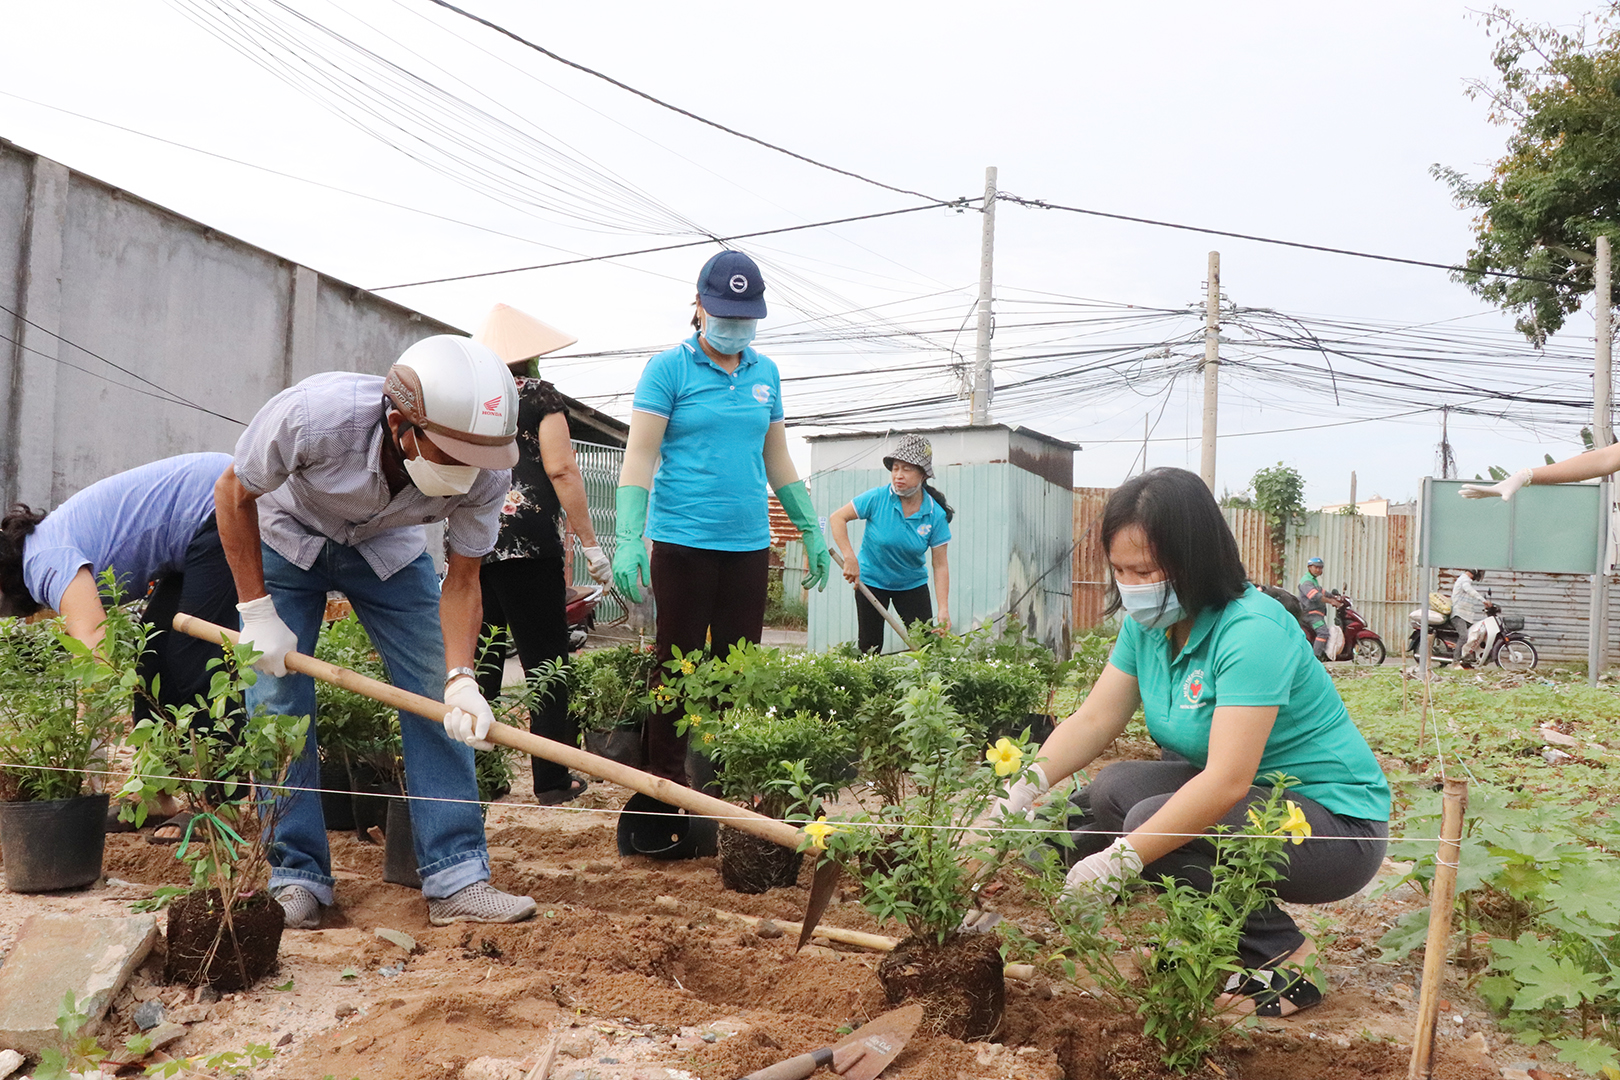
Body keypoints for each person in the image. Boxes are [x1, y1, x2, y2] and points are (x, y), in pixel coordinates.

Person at [987, 467, 1390, 1016]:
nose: (1132, 585)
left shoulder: (1252, 631)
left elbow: (1226, 782)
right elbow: (1095, 721)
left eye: (1146, 569)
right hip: (1257, 808)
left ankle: (1288, 960)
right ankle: (1214, 945)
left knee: (1147, 825)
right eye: (1120, 570)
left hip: (1335, 829)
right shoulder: (1147, 624)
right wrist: (1016, 794)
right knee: (1114, 789)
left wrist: (1120, 861)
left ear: (1195, 558)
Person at [216, 334, 538, 929]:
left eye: (478, 460)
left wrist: (461, 676)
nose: (467, 474)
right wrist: (257, 612)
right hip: (289, 538)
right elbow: (233, 493)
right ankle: (298, 878)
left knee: (433, 696)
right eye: (451, 455)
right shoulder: (315, 418)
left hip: (387, 551)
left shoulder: (487, 472)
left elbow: (464, 578)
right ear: (400, 425)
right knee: (277, 701)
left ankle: (458, 877)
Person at [612, 250, 832, 788]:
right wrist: (626, 536)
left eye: (745, 318)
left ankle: (730, 785)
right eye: (725, 315)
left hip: (748, 546)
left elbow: (776, 458)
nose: (735, 328)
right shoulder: (669, 369)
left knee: (741, 672)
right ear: (699, 307)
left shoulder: (766, 372)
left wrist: (810, 528)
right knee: (677, 667)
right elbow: (639, 456)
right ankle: (663, 784)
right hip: (683, 542)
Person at [0, 453, 241, 839]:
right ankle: (155, 797)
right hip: (194, 529)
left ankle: (224, 806)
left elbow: (94, 646)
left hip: (221, 501)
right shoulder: (41, 554)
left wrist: (88, 730)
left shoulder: (44, 564)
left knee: (197, 657)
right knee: (154, 651)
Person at [471, 304, 612, 806]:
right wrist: (591, 543)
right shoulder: (539, 396)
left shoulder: (472, 399)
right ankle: (552, 780)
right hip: (530, 545)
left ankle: (481, 776)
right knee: (546, 661)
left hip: (473, 538)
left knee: (481, 661)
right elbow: (562, 471)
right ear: (531, 355)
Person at [827, 434, 952, 653]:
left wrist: (943, 609)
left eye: (907, 469)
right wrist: (849, 557)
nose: (898, 475)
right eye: (895, 468)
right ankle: (869, 686)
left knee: (925, 646)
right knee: (870, 647)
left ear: (923, 474)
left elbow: (940, 564)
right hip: (872, 582)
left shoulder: (934, 514)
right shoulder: (877, 498)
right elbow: (837, 518)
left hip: (912, 585)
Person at [1449, 569, 1488, 662]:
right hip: (1458, 615)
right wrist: (1484, 601)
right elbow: (1470, 591)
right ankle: (1456, 661)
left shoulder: (1465, 580)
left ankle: (1469, 657)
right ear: (1473, 573)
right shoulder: (1464, 580)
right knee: (1463, 636)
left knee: (1475, 633)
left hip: (1464, 615)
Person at [1296, 556, 1329, 659]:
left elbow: (1321, 591)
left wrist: (1335, 596)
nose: (1319, 570)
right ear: (1309, 567)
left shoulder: (1313, 580)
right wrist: (1331, 601)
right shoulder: (1306, 581)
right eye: (1316, 567)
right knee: (1323, 632)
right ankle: (1316, 658)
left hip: (1315, 612)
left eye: (1321, 568)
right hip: (1310, 613)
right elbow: (1315, 596)